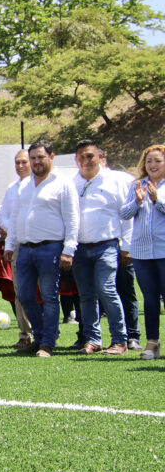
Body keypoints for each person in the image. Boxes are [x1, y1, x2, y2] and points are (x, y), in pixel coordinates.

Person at [4, 141, 79, 357]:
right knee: (25, 295)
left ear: (51, 157)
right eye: (33, 158)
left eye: (40, 157)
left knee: (49, 297)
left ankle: (46, 343)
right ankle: (40, 335)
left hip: (51, 248)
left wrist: (68, 250)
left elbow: (72, 219)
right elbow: (16, 216)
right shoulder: (25, 185)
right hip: (25, 249)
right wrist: (10, 244)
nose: (36, 162)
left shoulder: (63, 184)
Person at [70, 139, 129, 355]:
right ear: (76, 160)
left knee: (106, 290)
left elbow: (127, 215)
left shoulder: (114, 181)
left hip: (107, 246)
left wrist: (126, 245)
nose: (86, 160)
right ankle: (93, 339)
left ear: (99, 157)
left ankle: (120, 340)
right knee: (86, 295)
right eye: (82, 157)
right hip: (80, 248)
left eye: (90, 156)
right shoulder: (71, 184)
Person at [120, 144, 165, 360]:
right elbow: (124, 213)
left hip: (164, 250)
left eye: (157, 161)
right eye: (149, 161)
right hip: (141, 251)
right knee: (149, 299)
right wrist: (138, 201)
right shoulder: (137, 185)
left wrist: (157, 200)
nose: (152, 165)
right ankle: (152, 343)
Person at [100, 150, 140, 350]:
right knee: (95, 292)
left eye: (95, 157)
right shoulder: (82, 182)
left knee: (126, 290)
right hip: (96, 246)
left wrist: (127, 246)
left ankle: (133, 336)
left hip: (120, 244)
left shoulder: (122, 179)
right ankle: (89, 336)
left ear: (103, 159)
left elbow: (128, 216)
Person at [0, 150, 32, 348]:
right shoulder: (12, 188)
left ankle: (48, 333)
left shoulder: (39, 185)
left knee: (45, 291)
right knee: (20, 291)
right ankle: (25, 334)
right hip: (18, 244)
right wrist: (15, 232)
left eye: (24, 162)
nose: (20, 166)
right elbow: (3, 215)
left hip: (40, 243)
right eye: (17, 162)